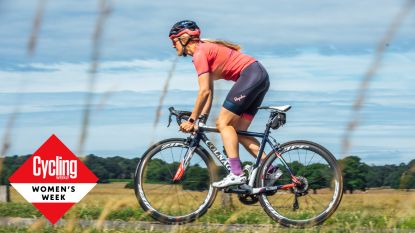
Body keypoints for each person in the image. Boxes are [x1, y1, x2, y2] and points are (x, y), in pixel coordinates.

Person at [169, 20, 270, 188]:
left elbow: (204, 92)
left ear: (184, 38)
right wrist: (202, 118)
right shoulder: (204, 50)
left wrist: (192, 121)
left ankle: (236, 173)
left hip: (251, 75)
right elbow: (209, 91)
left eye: (174, 41)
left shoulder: (199, 54)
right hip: (259, 76)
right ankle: (271, 169)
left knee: (223, 123)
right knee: (240, 132)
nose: (173, 46)